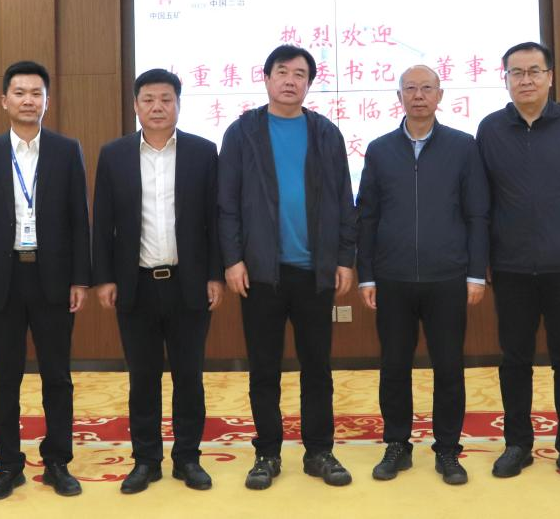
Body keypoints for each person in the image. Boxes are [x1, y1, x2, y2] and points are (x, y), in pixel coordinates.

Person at [219, 44, 357, 490]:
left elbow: (344, 200)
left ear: (309, 83)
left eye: (300, 74)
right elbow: (227, 203)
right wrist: (232, 259)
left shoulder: (326, 133)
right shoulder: (242, 132)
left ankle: (319, 451)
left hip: (315, 272)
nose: (290, 80)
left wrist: (345, 258)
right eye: (282, 72)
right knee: (264, 368)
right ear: (266, 78)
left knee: (318, 366)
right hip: (262, 273)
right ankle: (267, 453)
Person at [476, 40, 560, 485]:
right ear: (505, 80)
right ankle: (518, 444)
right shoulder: (491, 128)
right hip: (510, 266)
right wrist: (483, 257)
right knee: (514, 359)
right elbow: (481, 201)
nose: (526, 80)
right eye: (517, 72)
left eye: (534, 71)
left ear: (550, 76)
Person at [0, 60, 92, 500]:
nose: (28, 100)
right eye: (19, 93)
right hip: (3, 280)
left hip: (53, 278)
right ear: (4, 100)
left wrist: (81, 278)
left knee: (57, 376)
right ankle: (9, 466)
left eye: (36, 93)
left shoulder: (66, 150)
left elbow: (79, 218)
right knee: (4, 377)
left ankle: (57, 462)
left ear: (47, 101)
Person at [356, 64, 489, 485]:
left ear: (439, 95)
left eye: (426, 88)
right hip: (392, 277)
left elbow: (477, 213)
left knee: (448, 366)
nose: (418, 95)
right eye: (410, 89)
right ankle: (397, 444)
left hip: (447, 277)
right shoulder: (379, 149)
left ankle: (448, 449)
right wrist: (366, 275)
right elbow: (367, 216)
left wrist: (476, 273)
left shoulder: (462, 146)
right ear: (399, 97)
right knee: (394, 366)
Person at [92, 68, 223, 494]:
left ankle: (187, 458)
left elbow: (214, 220)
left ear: (178, 104)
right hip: (137, 284)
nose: (157, 107)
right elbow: (103, 222)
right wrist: (104, 278)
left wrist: (215, 274)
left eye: (166, 99)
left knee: (189, 376)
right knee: (143, 378)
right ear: (135, 105)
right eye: (148, 99)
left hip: (189, 282)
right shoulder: (114, 155)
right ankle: (146, 460)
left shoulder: (203, 152)